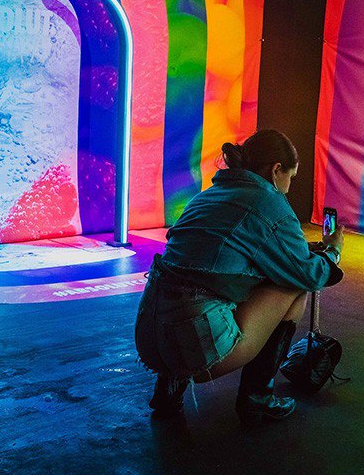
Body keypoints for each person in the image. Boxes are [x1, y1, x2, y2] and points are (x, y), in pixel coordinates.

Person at [134, 129, 344, 424]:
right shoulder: (271, 204)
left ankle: (169, 385)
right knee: (293, 288)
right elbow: (310, 275)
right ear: (276, 170)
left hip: (150, 335)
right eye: (291, 177)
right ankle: (257, 398)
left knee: (196, 286)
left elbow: (230, 251)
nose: (288, 187)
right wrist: (332, 252)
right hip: (194, 341)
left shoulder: (210, 195)